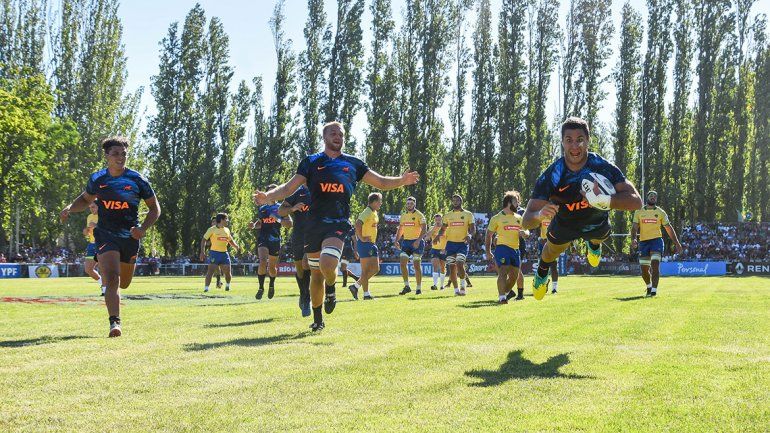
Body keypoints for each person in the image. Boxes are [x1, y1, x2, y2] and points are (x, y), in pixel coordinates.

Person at [253, 121, 419, 331]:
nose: (338, 136)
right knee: (316, 275)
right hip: (313, 226)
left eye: (341, 134)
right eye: (333, 133)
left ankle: (331, 287)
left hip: (337, 224)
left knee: (328, 264)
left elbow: (382, 182)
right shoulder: (311, 162)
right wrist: (267, 196)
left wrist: (402, 180)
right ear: (325, 137)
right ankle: (318, 318)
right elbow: (288, 188)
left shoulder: (353, 164)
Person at [522, 117, 642, 300]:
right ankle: (541, 272)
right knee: (550, 252)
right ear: (562, 142)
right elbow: (526, 221)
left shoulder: (602, 167)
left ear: (588, 140)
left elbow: (636, 201)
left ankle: (593, 244)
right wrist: (539, 214)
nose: (575, 146)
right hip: (565, 223)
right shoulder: (552, 175)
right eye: (569, 140)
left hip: (595, 222)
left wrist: (606, 200)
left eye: (580, 139)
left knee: (600, 236)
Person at [60, 136, 160, 337]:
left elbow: (154, 208)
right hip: (105, 234)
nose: (120, 157)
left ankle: (116, 303)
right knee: (112, 278)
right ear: (106, 155)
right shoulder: (98, 179)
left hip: (130, 237)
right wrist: (70, 208)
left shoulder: (138, 180)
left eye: (123, 154)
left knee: (123, 283)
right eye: (115, 153)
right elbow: (85, 199)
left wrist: (143, 229)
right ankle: (115, 323)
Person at [631, 190, 683, 297]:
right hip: (644, 242)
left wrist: (677, 243)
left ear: (656, 199)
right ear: (647, 198)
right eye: (651, 195)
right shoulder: (639, 212)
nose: (653, 197)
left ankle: (654, 291)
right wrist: (633, 239)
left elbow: (669, 228)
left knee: (655, 264)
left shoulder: (661, 212)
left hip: (656, 241)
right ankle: (649, 286)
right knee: (644, 270)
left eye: (655, 196)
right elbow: (634, 228)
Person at [486, 191, 528, 304]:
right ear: (509, 203)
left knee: (515, 276)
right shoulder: (497, 218)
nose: (518, 204)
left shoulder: (519, 217)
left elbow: (526, 230)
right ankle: (502, 298)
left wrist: (525, 233)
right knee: (503, 271)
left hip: (516, 249)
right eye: (516, 201)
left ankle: (505, 293)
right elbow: (489, 234)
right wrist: (488, 251)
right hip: (502, 248)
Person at [252, 185, 292, 300]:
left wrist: (277, 218)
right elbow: (260, 223)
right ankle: (260, 288)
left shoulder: (281, 208)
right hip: (263, 238)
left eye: (275, 192)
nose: (272, 195)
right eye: (270, 193)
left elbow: (289, 224)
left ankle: (271, 284)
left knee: (272, 267)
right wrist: (254, 226)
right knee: (263, 261)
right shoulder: (262, 209)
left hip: (275, 239)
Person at [278, 185, 312, 316]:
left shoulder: (320, 188)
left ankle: (308, 298)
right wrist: (292, 208)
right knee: (300, 269)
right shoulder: (296, 192)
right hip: (299, 234)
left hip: (316, 234)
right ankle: (303, 294)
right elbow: (281, 211)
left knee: (307, 263)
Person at [439, 194, 475, 296]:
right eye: (453, 200)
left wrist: (469, 235)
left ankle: (463, 286)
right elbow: (443, 228)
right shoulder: (447, 215)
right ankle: (456, 290)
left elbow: (473, 229)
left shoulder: (468, 214)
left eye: (457, 200)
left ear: (461, 201)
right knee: (452, 267)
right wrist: (438, 236)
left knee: (459, 263)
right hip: (450, 244)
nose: (455, 202)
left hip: (462, 244)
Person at [348, 193, 382, 301]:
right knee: (366, 270)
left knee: (376, 269)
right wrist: (361, 238)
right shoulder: (367, 211)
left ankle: (356, 286)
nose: (381, 203)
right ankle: (366, 294)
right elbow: (358, 223)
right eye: (380, 201)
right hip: (365, 244)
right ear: (375, 201)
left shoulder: (374, 212)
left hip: (371, 243)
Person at [395, 196, 427, 295]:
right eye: (408, 203)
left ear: (414, 204)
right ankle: (407, 286)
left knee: (416, 265)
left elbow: (424, 229)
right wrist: (396, 240)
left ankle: (418, 288)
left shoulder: (419, 215)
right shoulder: (403, 215)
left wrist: (418, 240)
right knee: (402, 262)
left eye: (411, 203)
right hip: (406, 242)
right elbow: (401, 229)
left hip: (417, 243)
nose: (409, 205)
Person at [200, 213, 239, 293]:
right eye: (226, 219)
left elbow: (230, 240)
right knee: (210, 271)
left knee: (228, 272)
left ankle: (227, 286)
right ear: (221, 220)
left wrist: (236, 246)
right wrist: (202, 252)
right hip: (214, 253)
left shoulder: (227, 230)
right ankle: (206, 288)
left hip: (224, 253)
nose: (227, 221)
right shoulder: (212, 229)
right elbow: (204, 240)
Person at [83, 200, 107, 296]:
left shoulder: (105, 216)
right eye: (90, 207)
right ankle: (102, 283)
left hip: (103, 243)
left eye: (93, 207)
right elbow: (88, 232)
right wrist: (86, 231)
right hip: (92, 244)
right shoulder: (89, 217)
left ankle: (105, 290)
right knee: (88, 269)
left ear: (98, 207)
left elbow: (108, 230)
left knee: (102, 267)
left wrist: (96, 226)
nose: (91, 209)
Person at [537, 216, 561, 294]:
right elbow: (538, 227)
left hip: (553, 243)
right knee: (542, 266)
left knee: (554, 266)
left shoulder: (556, 217)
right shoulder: (542, 216)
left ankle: (554, 288)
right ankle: (542, 285)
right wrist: (540, 238)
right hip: (542, 243)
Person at [426, 214, 447, 291]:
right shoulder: (432, 228)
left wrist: (445, 249)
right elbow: (427, 237)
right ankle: (435, 285)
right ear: (434, 220)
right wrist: (434, 228)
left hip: (443, 249)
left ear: (442, 219)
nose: (437, 221)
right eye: (436, 220)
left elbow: (449, 239)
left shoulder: (445, 228)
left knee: (442, 268)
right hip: (435, 249)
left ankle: (441, 285)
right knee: (435, 266)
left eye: (439, 220)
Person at [340, 224, 360, 290]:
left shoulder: (350, 231)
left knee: (343, 267)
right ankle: (356, 278)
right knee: (343, 268)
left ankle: (344, 284)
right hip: (342, 250)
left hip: (347, 250)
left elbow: (355, 241)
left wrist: (355, 251)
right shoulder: (339, 229)